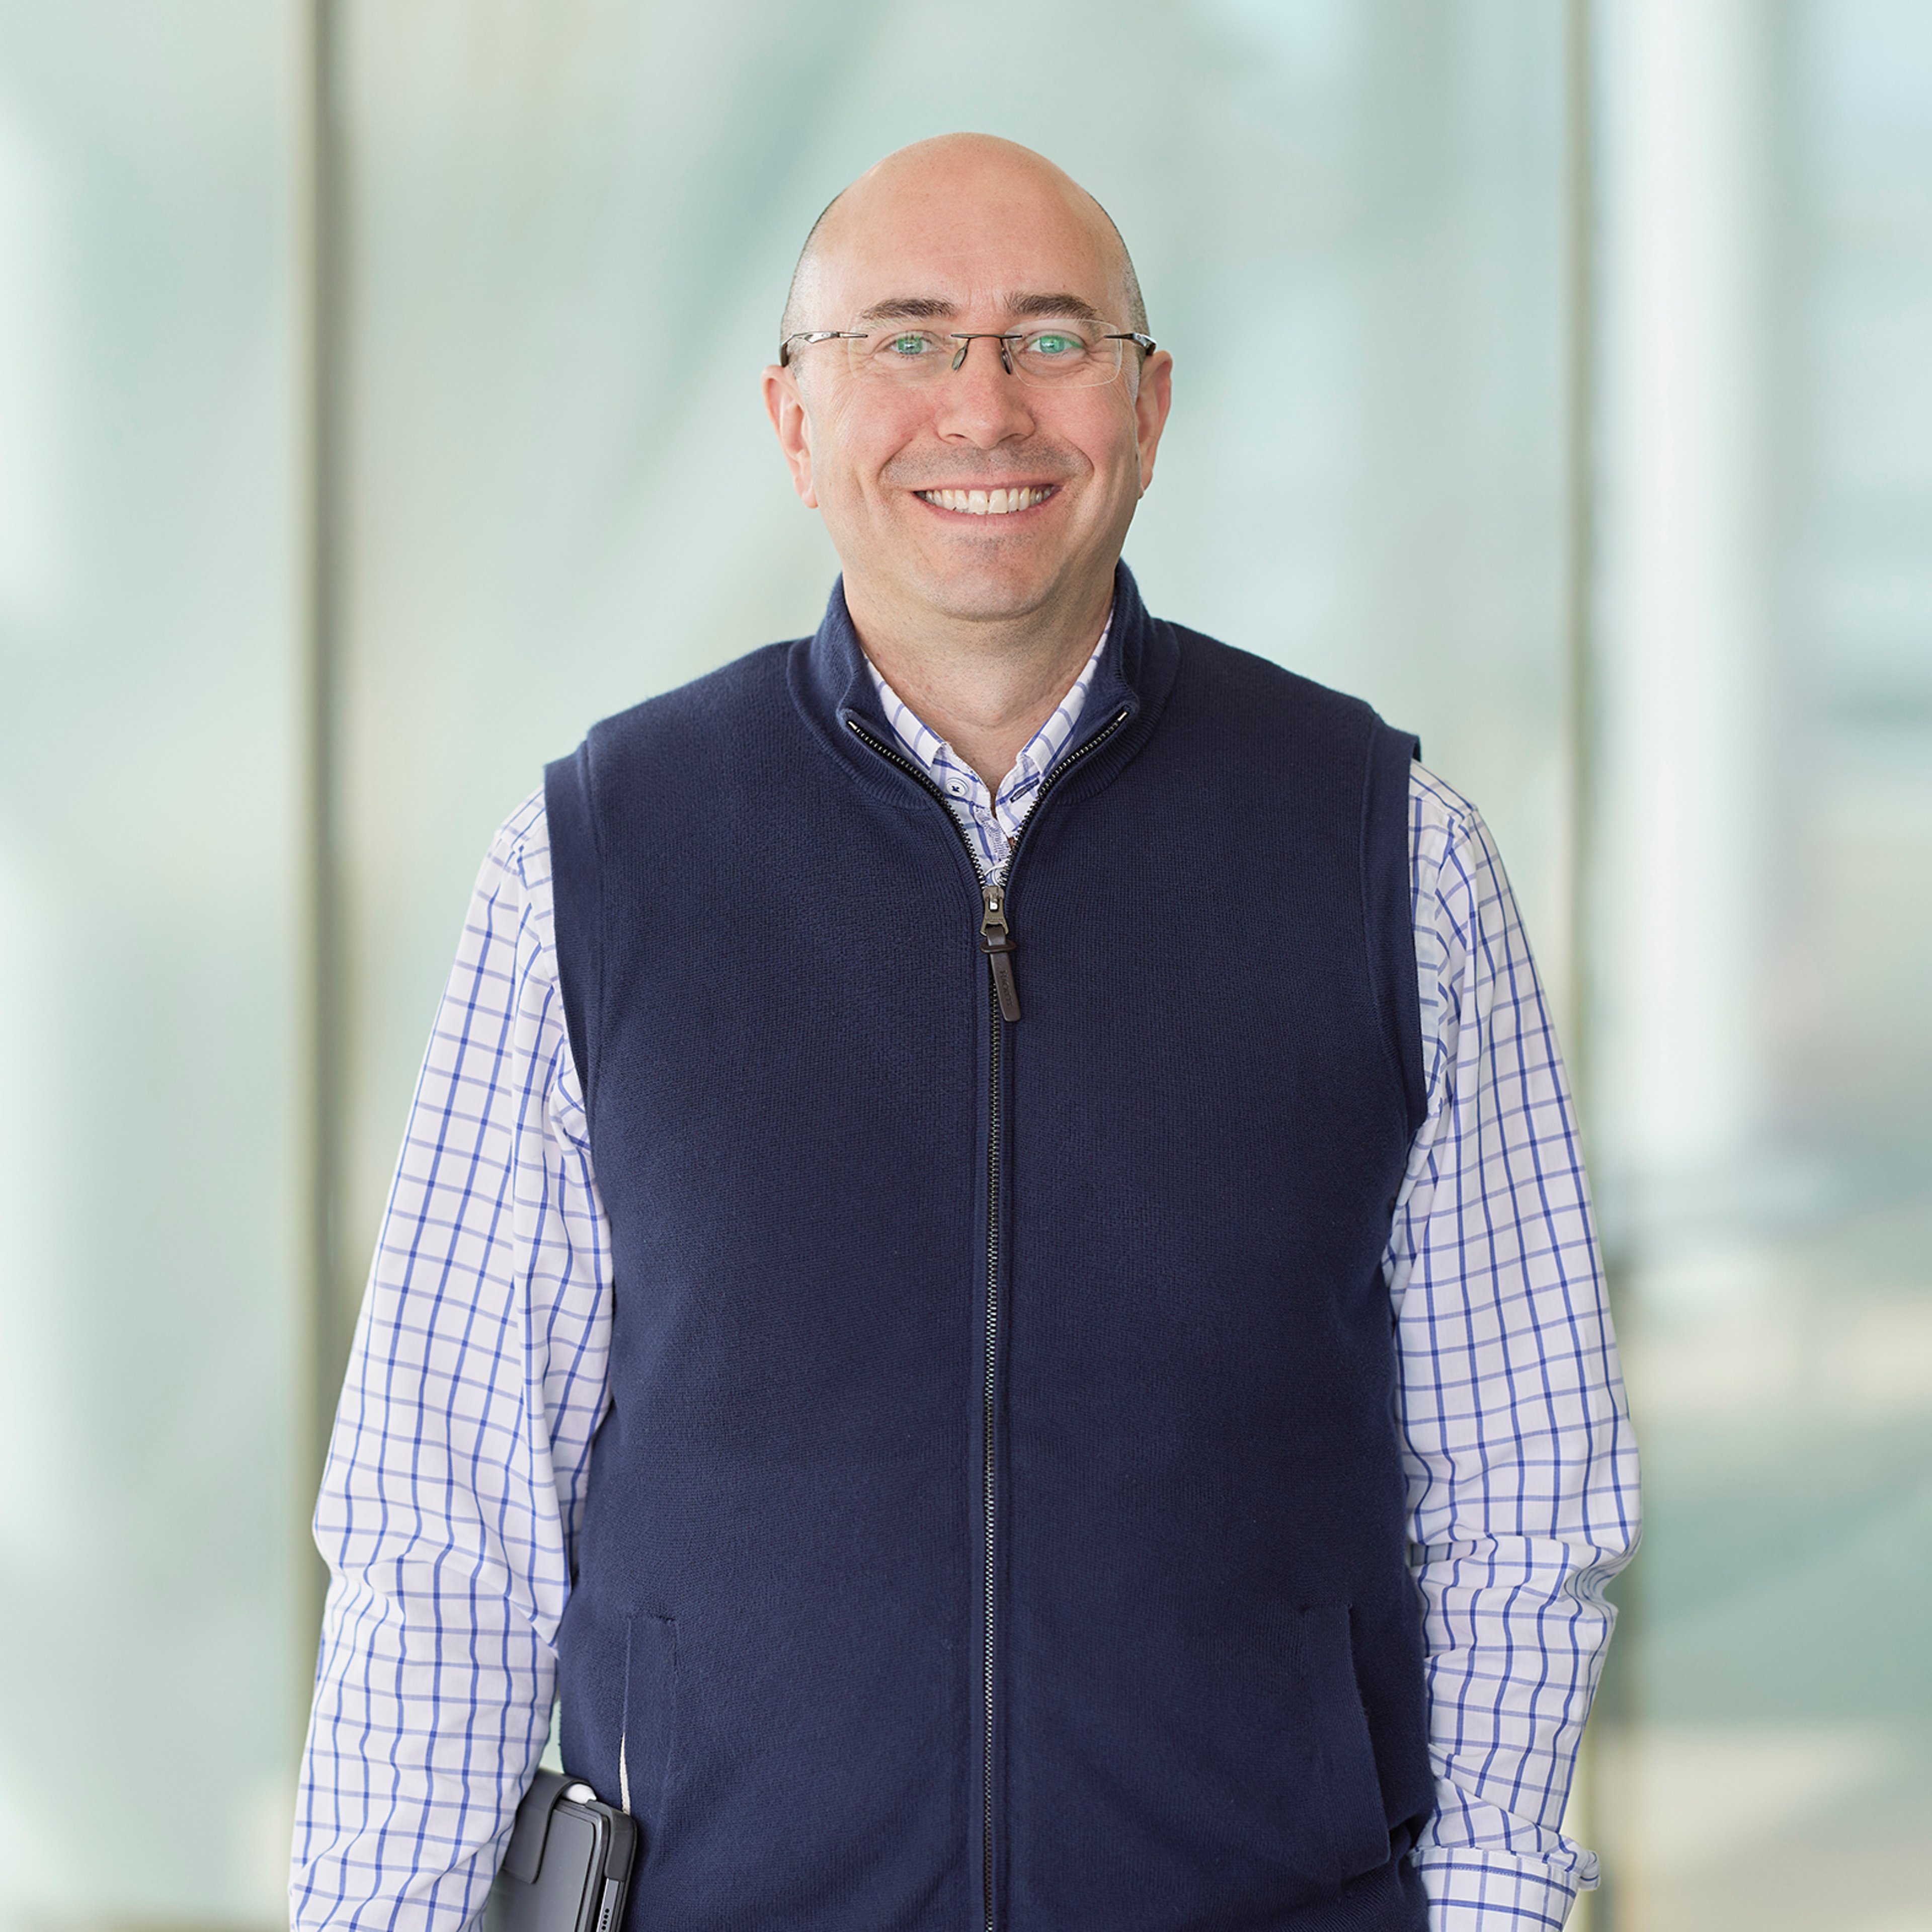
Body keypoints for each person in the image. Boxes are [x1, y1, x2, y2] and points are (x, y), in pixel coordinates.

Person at [290, 134, 1638, 1932]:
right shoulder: (594, 861)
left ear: (1149, 411)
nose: (984, 406)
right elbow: (442, 1523)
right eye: (907, 341)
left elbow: (1525, 1499)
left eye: (1055, 339)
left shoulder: (1390, 858)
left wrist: (1478, 1911)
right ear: (793, 423)